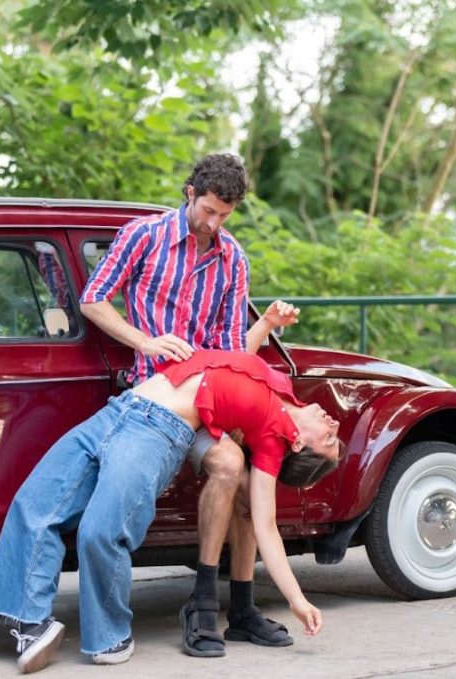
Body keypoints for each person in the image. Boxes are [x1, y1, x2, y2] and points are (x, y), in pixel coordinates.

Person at [0, 329, 341, 673]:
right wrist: (268, 323)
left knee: (100, 530)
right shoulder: (282, 387)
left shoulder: (270, 447)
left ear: (299, 445)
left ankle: (109, 640)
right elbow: (237, 353)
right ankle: (31, 624)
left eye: (328, 441)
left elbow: (265, 526)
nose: (334, 426)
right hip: (120, 409)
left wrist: (297, 600)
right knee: (35, 504)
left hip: (158, 431)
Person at [79, 153, 293, 656]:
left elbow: (231, 351)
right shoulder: (143, 236)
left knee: (244, 470)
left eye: (225, 214)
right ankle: (203, 607)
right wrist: (145, 342)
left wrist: (263, 328)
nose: (214, 223)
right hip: (154, 401)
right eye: (209, 210)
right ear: (189, 192)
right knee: (230, 466)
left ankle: (234, 609)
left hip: (210, 398)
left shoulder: (233, 257)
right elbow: (93, 299)